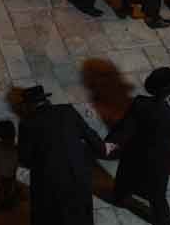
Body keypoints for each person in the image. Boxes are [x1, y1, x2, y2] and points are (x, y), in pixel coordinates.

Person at [18, 85, 112, 225]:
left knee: (51, 214)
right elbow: (88, 133)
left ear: (28, 105)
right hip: (77, 172)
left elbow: (25, 159)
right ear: (46, 100)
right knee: (81, 212)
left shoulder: (26, 124)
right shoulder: (67, 110)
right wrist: (103, 148)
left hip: (49, 180)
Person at [108, 68, 170, 225]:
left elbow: (125, 126)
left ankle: (119, 199)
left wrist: (111, 142)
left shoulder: (139, 102)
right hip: (157, 159)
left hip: (134, 151)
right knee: (157, 194)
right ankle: (164, 222)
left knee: (126, 178)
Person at [0, 120, 19, 210]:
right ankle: (8, 198)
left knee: (6, 185)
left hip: (5, 173)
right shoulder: (16, 149)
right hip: (8, 173)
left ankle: (7, 199)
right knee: (8, 184)